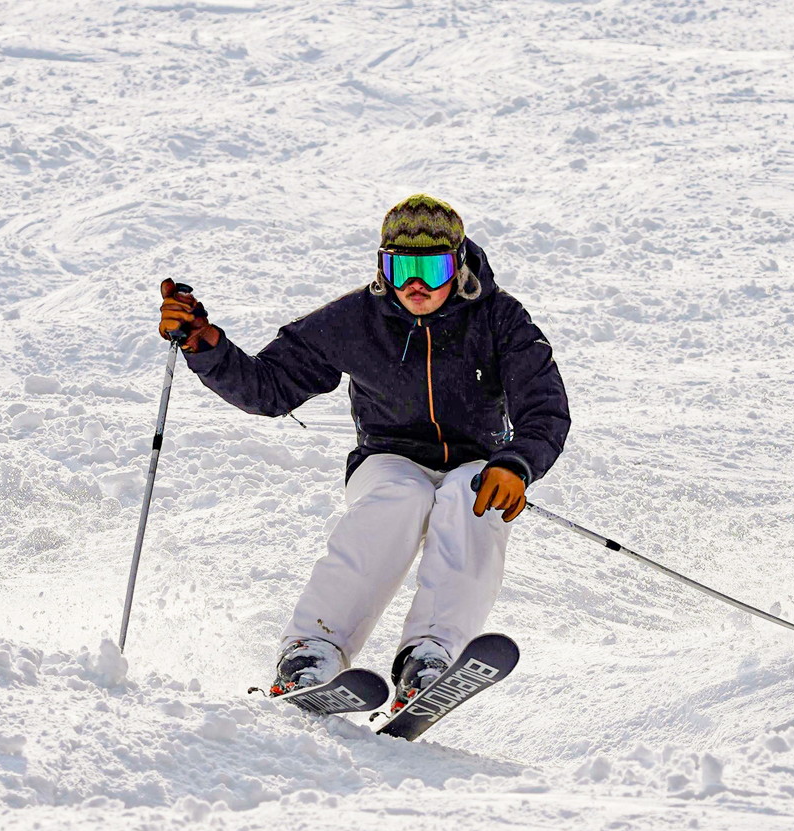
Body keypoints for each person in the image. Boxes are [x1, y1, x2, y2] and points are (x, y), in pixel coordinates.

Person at [158, 194, 570, 711]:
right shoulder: (358, 318)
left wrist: (516, 463)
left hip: (478, 465)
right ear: (383, 267)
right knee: (400, 497)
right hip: (389, 457)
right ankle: (312, 651)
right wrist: (205, 345)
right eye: (401, 268)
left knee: (469, 498)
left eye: (431, 267)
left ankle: (431, 654)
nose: (415, 285)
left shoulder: (498, 318)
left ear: (459, 264)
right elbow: (271, 388)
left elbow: (545, 405)